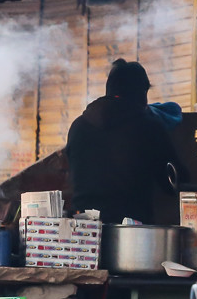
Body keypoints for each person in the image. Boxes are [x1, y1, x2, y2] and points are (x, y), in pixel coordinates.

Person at [66, 59, 186, 224]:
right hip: (131, 230)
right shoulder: (149, 126)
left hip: (84, 227)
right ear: (142, 93)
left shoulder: (78, 125)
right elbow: (174, 181)